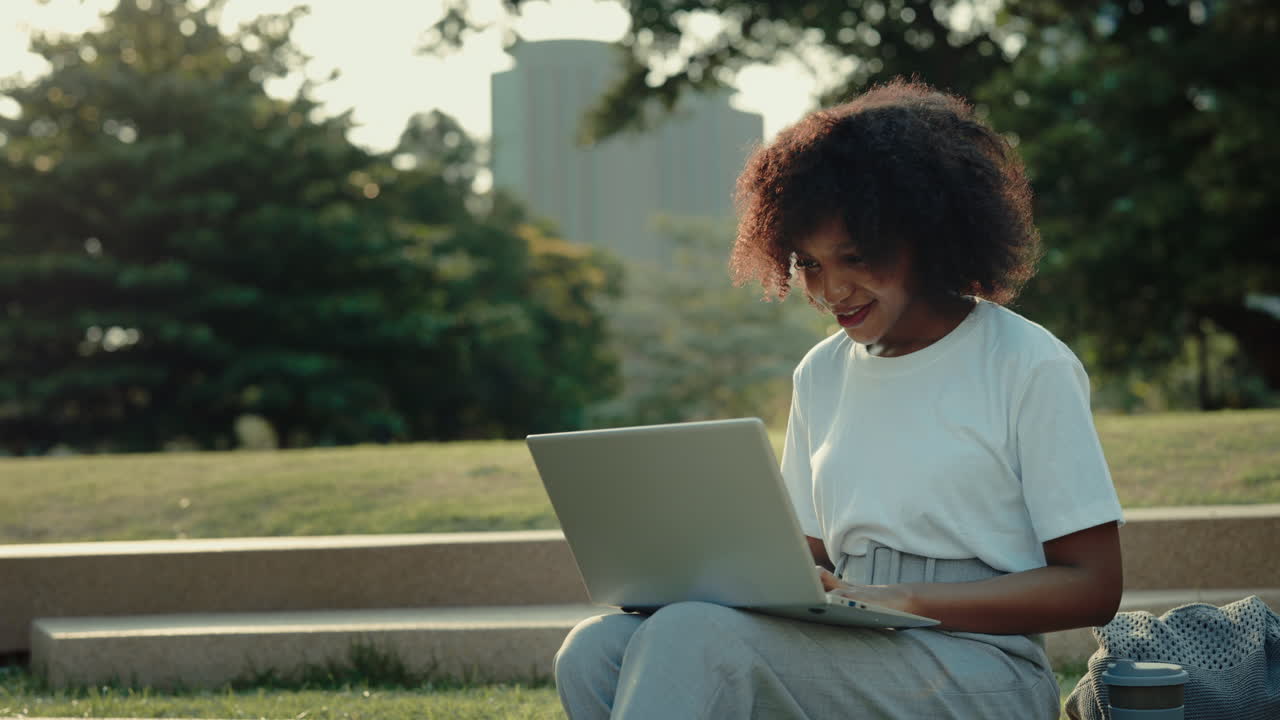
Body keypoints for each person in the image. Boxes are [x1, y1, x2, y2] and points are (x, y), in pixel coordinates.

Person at [553, 78, 1125, 719]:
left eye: (855, 256)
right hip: (853, 635)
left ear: (928, 236)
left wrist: (901, 600)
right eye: (810, 264)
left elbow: (1094, 586)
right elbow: (812, 559)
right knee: (596, 648)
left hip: (981, 665)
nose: (832, 290)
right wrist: (696, 577)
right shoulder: (820, 372)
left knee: (696, 639)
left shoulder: (1027, 362)